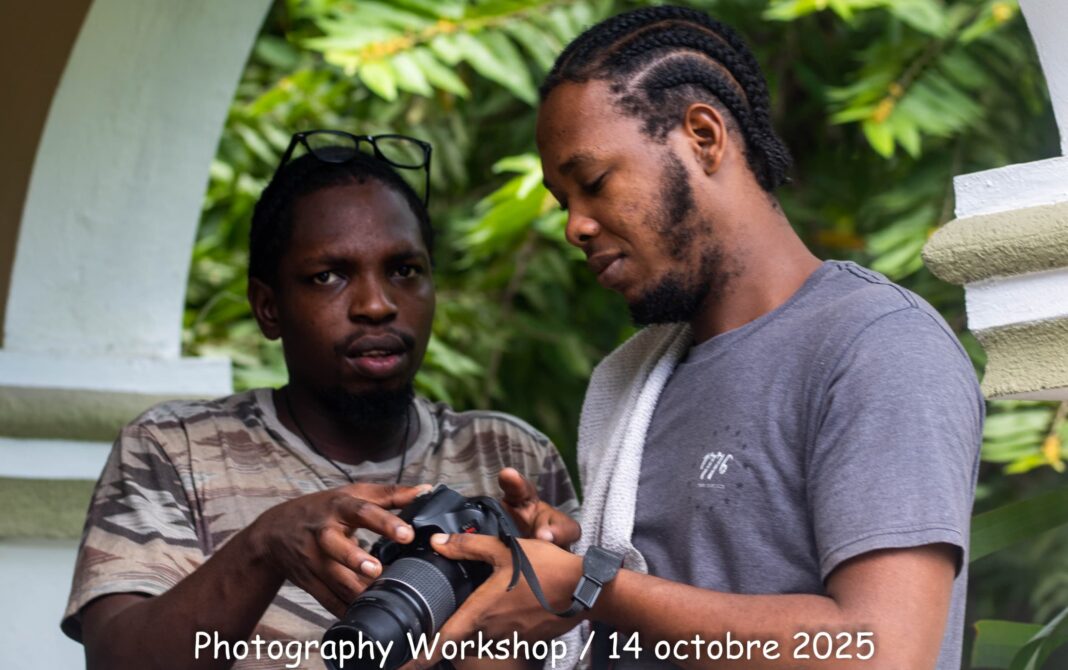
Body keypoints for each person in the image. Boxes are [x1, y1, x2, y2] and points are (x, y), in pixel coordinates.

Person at [417, 6, 983, 670]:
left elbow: (882, 651)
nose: (575, 227)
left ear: (703, 136)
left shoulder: (877, 347)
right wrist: (560, 565)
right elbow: (643, 614)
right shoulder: (636, 380)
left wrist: (590, 586)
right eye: (563, 201)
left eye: (594, 183)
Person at [60, 131, 579, 670]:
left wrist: (556, 592)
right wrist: (265, 547)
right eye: (328, 276)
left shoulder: (509, 457)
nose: (377, 305)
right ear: (268, 308)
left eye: (404, 270)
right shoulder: (173, 449)